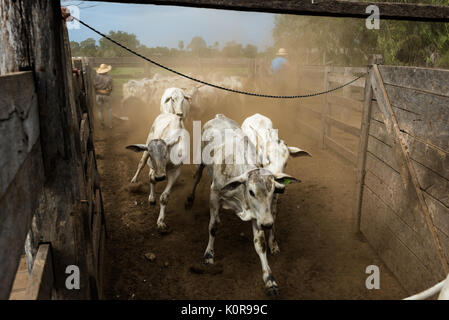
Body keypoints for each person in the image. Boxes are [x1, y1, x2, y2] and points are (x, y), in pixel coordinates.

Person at [94, 64, 114, 128]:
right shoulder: (109, 78)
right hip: (106, 95)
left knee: (100, 110)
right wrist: (109, 91)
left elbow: (94, 85)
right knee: (109, 109)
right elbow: (112, 87)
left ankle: (102, 125)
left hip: (98, 95)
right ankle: (110, 125)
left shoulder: (96, 77)